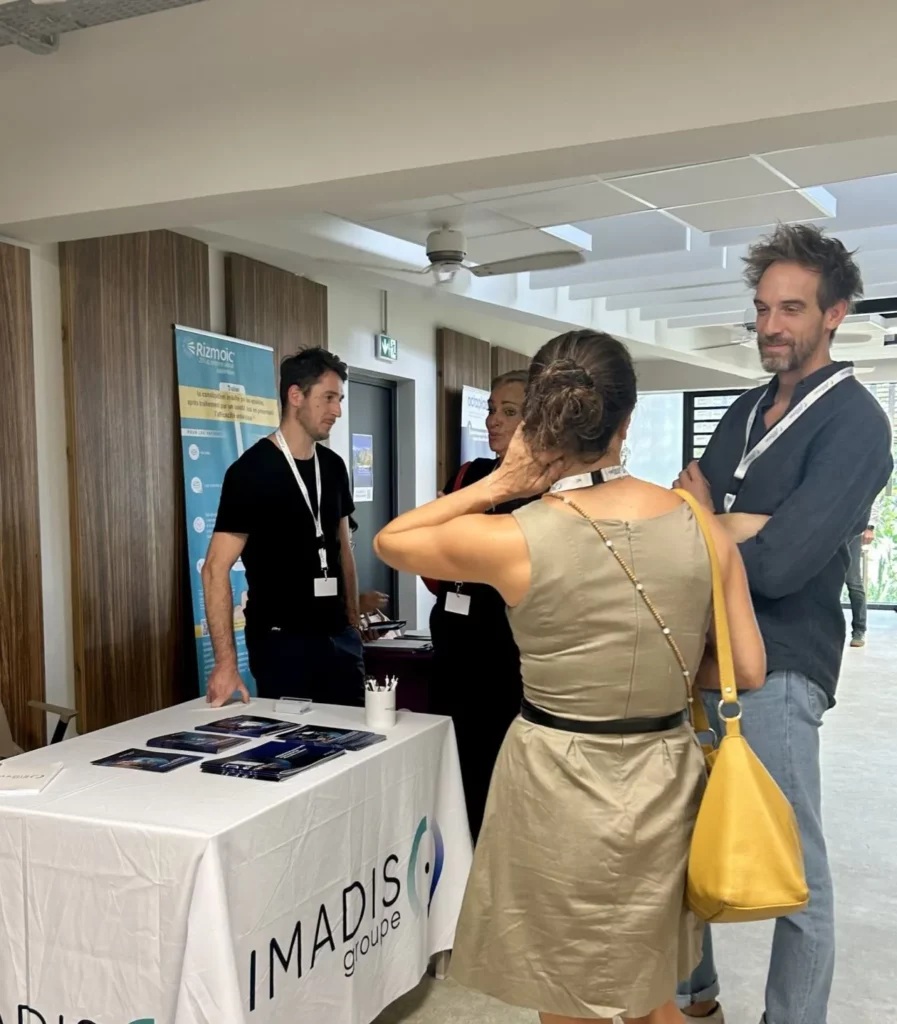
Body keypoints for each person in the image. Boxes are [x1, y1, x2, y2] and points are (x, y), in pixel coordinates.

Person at [375, 330, 766, 1024]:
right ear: (626, 419)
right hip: (662, 768)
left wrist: (503, 481)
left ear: (539, 422)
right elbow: (750, 668)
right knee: (652, 993)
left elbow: (392, 540)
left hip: (554, 773)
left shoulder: (517, 535)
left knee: (564, 995)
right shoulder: (699, 526)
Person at [676, 223, 893, 1024]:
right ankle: (693, 1002)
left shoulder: (857, 426)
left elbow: (781, 566)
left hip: (780, 670)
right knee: (685, 849)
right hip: (700, 660)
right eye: (762, 308)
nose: (770, 325)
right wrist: (732, 521)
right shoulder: (742, 405)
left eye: (790, 309)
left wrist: (712, 519)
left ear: (833, 314)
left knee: (794, 874)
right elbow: (686, 509)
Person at [202, 347, 364, 707]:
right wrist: (226, 664)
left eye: (340, 399)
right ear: (295, 396)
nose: (337, 410)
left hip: (339, 640)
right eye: (328, 398)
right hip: (282, 643)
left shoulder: (334, 467)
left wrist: (353, 621)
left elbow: (343, 548)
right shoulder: (251, 471)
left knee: (356, 747)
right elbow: (215, 568)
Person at [428, 369, 533, 841]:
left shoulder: (547, 488)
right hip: (454, 646)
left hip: (509, 657)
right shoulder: (470, 476)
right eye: (492, 410)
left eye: (508, 412)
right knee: (456, 764)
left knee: (502, 768)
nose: (494, 420)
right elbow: (431, 554)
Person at [846, 492, 882, 648]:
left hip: (854, 530)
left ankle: (859, 630)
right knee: (823, 582)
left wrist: (870, 527)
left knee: (853, 580)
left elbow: (873, 495)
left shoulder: (862, 468)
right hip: (830, 529)